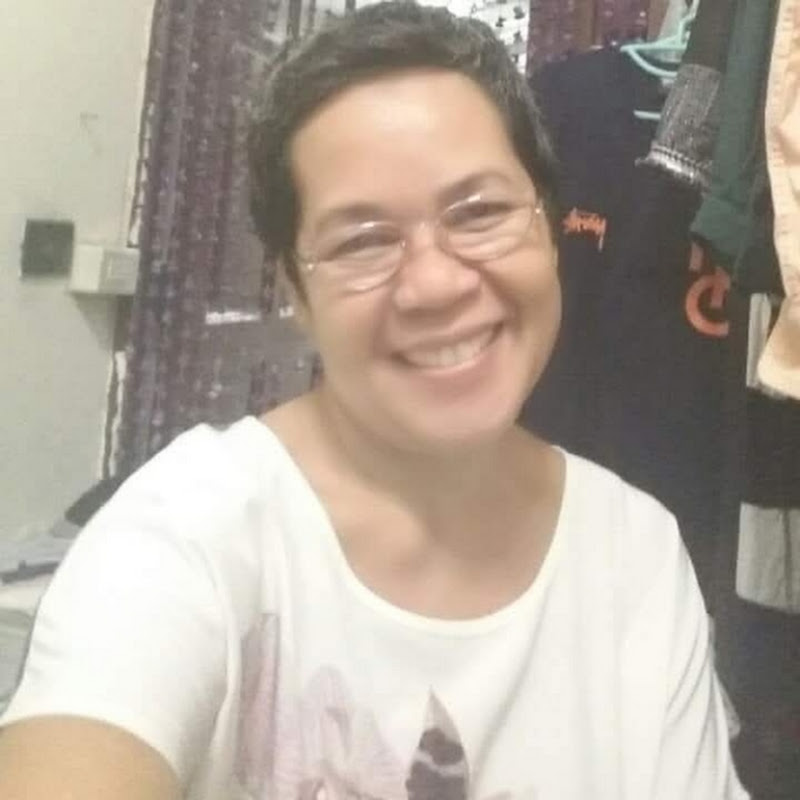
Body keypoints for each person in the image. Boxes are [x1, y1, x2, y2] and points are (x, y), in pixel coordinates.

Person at [0, 3, 749, 798]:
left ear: (550, 227)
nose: (435, 283)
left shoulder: (635, 553)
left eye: (481, 212)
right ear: (295, 292)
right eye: (361, 240)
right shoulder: (188, 533)